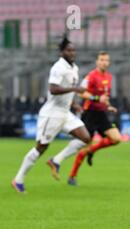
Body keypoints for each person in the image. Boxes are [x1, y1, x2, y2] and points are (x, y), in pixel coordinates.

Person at [11, 36, 90, 193]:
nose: (72, 52)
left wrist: (74, 104)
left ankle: (56, 161)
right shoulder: (58, 67)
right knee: (41, 147)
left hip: (65, 113)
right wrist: (75, 90)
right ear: (61, 52)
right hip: (51, 114)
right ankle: (18, 179)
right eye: (69, 50)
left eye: (73, 50)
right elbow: (53, 89)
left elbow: (66, 89)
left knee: (85, 138)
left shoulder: (74, 68)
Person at [63, 51, 121, 186]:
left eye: (106, 60)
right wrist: (96, 98)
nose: (104, 62)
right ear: (97, 61)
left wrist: (109, 106)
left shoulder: (109, 77)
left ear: (109, 62)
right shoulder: (91, 76)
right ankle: (72, 176)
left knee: (116, 139)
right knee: (84, 145)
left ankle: (91, 150)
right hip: (89, 114)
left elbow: (104, 97)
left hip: (101, 114)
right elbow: (82, 93)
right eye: (101, 60)